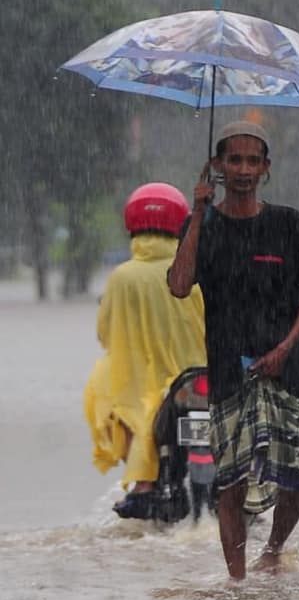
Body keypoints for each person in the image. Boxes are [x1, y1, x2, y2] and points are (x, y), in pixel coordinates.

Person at [167, 120, 299, 580]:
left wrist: (286, 345)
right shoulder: (204, 226)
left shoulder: (289, 224)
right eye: (233, 160)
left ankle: (273, 550)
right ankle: (236, 583)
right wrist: (198, 212)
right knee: (230, 479)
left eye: (252, 160)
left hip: (285, 370)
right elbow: (179, 285)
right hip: (227, 372)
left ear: (266, 168)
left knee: (296, 473)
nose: (242, 169)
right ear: (217, 166)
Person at [84, 183, 206, 518]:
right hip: (200, 379)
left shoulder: (121, 278)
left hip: (148, 387)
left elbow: (105, 334)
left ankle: (144, 484)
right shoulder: (196, 268)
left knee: (107, 391)